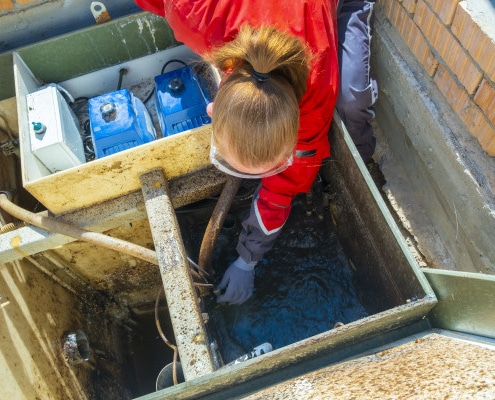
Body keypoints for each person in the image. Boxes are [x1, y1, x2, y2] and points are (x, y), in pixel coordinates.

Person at [135, 0, 377, 305]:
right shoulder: (191, 12)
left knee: (351, 104)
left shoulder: (316, 96)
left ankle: (367, 163)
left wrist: (247, 260)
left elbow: (284, 186)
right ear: (213, 109)